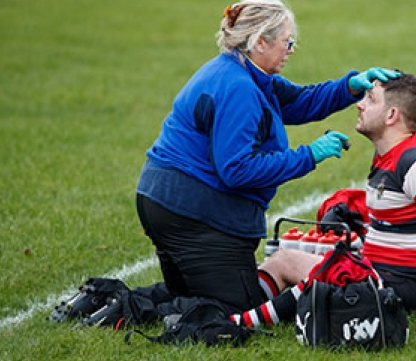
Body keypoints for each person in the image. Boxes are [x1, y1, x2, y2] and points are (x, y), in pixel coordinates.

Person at [135, 0, 400, 315]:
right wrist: (308, 155)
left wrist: (349, 87)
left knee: (196, 295)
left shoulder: (245, 71)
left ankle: (115, 303)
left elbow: (298, 101)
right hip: (192, 212)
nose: (290, 49)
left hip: (169, 202)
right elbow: (236, 170)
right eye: (287, 42)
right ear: (259, 41)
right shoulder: (239, 87)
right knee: (241, 310)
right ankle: (117, 303)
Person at [232, 72, 416, 327]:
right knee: (288, 260)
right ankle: (236, 304)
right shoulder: (387, 158)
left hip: (409, 288)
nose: (360, 104)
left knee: (314, 272)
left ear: (391, 115)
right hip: (386, 274)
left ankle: (237, 324)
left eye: (370, 99)